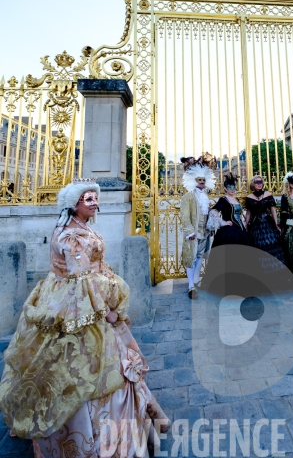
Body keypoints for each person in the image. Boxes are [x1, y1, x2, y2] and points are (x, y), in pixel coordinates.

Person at [0, 178, 170, 458]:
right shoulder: (70, 235)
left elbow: (90, 271)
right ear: (74, 204)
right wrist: (107, 311)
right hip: (77, 305)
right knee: (85, 364)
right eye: (88, 199)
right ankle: (88, 439)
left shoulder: (78, 228)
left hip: (76, 296)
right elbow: (81, 279)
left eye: (95, 198)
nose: (95, 203)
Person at [179, 153, 216, 300]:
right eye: (199, 180)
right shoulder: (188, 196)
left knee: (199, 257)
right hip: (193, 232)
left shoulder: (205, 196)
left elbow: (206, 215)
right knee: (191, 258)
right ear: (193, 181)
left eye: (203, 180)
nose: (201, 182)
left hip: (204, 232)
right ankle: (190, 285)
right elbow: (184, 216)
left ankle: (196, 280)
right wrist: (189, 231)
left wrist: (211, 227)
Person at [245, 175, 285, 266]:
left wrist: (276, 223)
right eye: (257, 182)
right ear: (253, 184)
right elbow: (248, 213)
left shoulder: (268, 194)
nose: (259, 184)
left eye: (261, 182)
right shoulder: (249, 197)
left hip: (268, 223)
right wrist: (246, 225)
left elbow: (273, 210)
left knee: (272, 243)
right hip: (256, 225)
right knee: (258, 245)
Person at [207, 172, 250, 248]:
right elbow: (213, 211)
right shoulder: (223, 200)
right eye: (230, 187)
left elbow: (238, 214)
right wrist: (222, 222)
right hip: (229, 229)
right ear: (225, 189)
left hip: (240, 228)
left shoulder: (236, 199)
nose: (232, 189)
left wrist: (243, 224)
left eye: (234, 187)